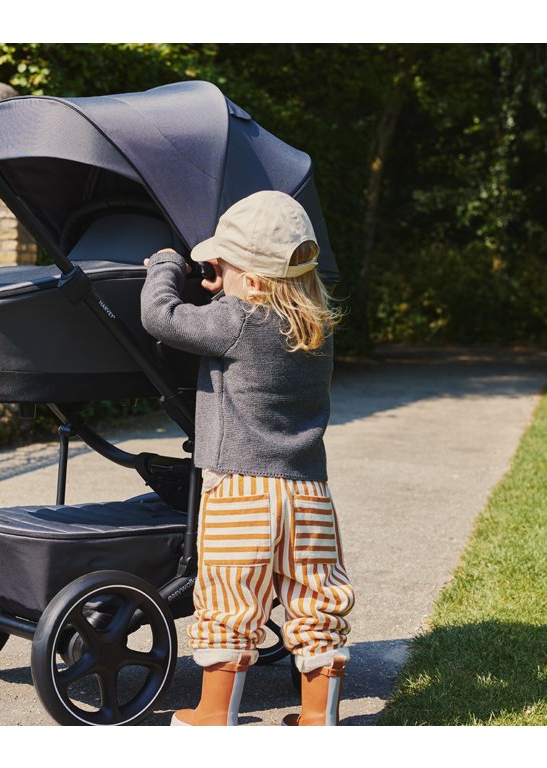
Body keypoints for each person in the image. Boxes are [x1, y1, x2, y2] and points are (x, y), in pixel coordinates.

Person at [140, 190, 354, 727]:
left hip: (242, 493)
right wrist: (229, 283)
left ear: (252, 282)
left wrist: (165, 266)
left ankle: (215, 715)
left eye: (223, 267)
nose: (216, 276)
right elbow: (253, 310)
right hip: (308, 494)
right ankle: (318, 719)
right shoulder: (317, 329)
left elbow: (162, 317)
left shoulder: (234, 319)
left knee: (230, 600)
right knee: (316, 601)